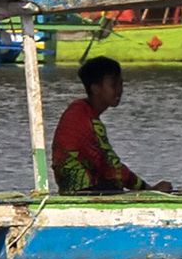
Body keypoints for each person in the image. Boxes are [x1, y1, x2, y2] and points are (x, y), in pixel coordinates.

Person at [50, 56, 167, 193]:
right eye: (113, 85)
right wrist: (149, 190)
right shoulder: (81, 117)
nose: (119, 90)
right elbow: (110, 166)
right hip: (82, 189)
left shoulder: (82, 112)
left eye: (121, 84)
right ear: (96, 89)